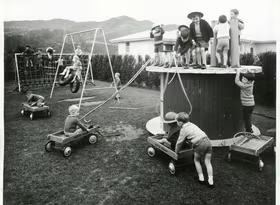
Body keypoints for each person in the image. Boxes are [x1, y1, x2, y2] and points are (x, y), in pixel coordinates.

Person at [175, 112, 214, 187]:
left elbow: (179, 142)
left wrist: (176, 151)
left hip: (200, 144)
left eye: (177, 122)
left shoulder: (183, 130)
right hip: (208, 141)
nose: (177, 123)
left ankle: (201, 178)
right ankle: (211, 181)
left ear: (180, 122)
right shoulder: (192, 124)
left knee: (196, 160)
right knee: (208, 162)